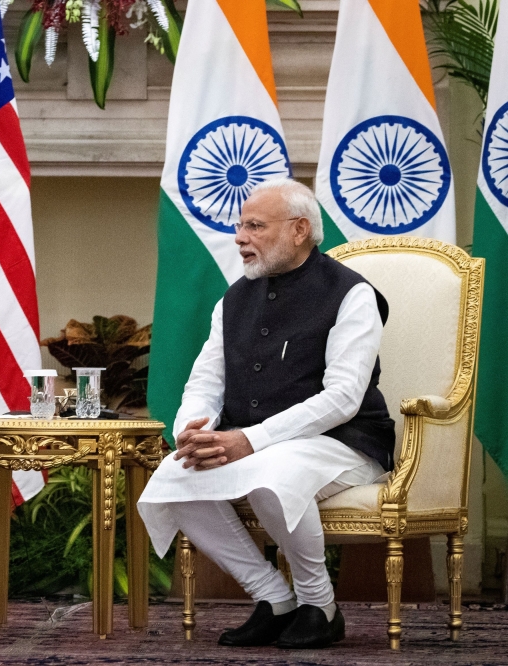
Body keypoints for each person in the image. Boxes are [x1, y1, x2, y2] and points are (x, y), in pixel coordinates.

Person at [137, 178, 394, 649]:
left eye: (255, 226)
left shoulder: (351, 294)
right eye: (240, 226)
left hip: (345, 443)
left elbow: (343, 398)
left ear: (299, 230)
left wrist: (249, 440)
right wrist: (193, 430)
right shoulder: (233, 299)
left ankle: (320, 606)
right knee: (175, 475)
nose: (240, 238)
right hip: (259, 445)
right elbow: (206, 381)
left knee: (273, 474)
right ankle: (274, 598)